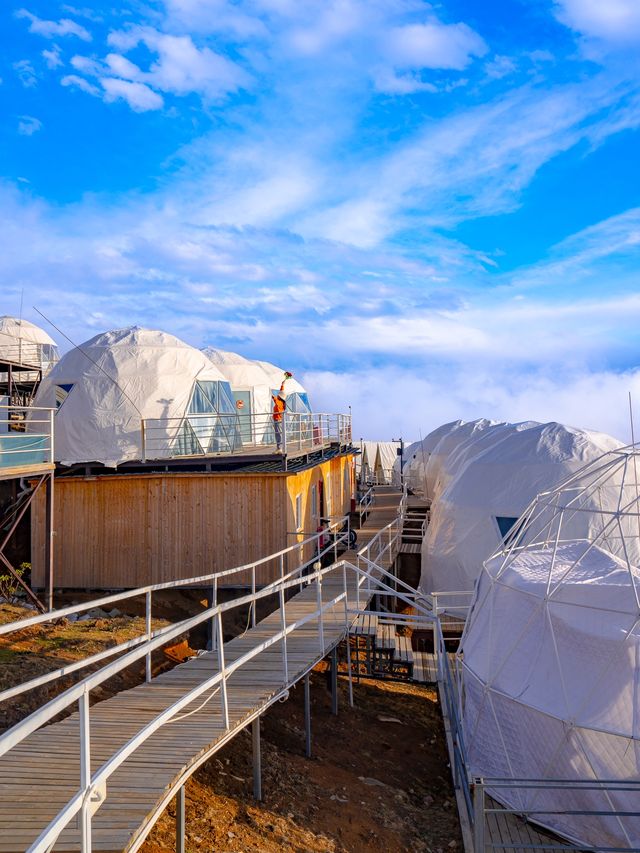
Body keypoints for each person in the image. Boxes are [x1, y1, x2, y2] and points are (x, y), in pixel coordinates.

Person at [272, 371, 292, 451]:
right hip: (280, 419)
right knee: (280, 433)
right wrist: (282, 384)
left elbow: (275, 398)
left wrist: (272, 396)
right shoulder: (282, 403)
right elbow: (281, 392)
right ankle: (280, 447)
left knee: (278, 434)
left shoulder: (278, 402)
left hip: (277, 420)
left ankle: (279, 448)